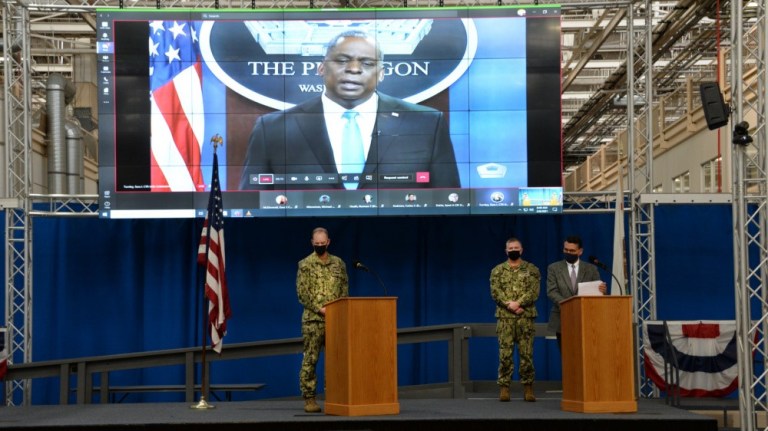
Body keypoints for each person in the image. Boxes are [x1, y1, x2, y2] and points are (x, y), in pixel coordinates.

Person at [239, 30, 460, 190]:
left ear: (381, 73)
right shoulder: (272, 128)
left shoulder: (426, 123)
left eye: (367, 63)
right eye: (342, 60)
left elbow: (449, 200)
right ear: (321, 67)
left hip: (400, 247)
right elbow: (252, 203)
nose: (353, 69)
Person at [296, 227, 349, 413]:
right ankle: (309, 398)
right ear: (312, 243)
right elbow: (302, 293)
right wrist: (320, 309)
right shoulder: (305, 264)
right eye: (316, 244)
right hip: (313, 321)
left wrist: (338, 311)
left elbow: (344, 291)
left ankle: (334, 397)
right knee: (310, 359)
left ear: (328, 242)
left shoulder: (339, 264)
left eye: (322, 243)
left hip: (335, 321)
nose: (319, 246)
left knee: (336, 361)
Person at [490, 237, 540, 402]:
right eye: (510, 248)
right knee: (505, 354)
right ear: (506, 251)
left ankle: (528, 388)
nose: (513, 250)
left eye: (516, 247)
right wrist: (509, 305)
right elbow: (495, 292)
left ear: (522, 249)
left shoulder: (532, 269)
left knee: (527, 354)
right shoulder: (497, 270)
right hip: (505, 317)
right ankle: (504, 388)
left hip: (525, 316)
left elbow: (534, 291)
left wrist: (519, 303)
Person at [546, 235, 607, 349]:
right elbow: (551, 291)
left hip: (586, 320)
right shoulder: (554, 268)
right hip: (563, 319)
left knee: (587, 354)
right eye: (566, 250)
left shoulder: (591, 269)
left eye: (572, 250)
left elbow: (598, 294)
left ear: (580, 251)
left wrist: (602, 290)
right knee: (567, 357)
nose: (568, 252)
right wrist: (569, 305)